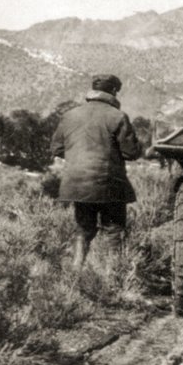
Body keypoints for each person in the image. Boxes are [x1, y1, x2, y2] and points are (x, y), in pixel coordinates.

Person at [50, 74, 142, 269]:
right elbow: (131, 151)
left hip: (77, 184)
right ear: (114, 91)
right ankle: (111, 276)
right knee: (114, 231)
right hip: (109, 183)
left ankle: (76, 271)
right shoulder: (117, 116)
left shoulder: (69, 115)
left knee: (83, 229)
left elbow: (57, 149)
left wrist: (78, 157)